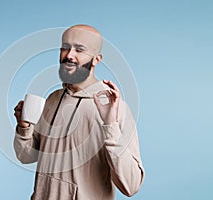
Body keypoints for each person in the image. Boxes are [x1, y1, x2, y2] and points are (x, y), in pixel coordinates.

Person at [13, 24, 144, 200]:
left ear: (97, 59)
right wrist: (24, 127)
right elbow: (26, 156)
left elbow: (131, 185)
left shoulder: (116, 108)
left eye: (79, 50)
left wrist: (110, 126)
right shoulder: (53, 99)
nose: (69, 55)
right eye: (65, 48)